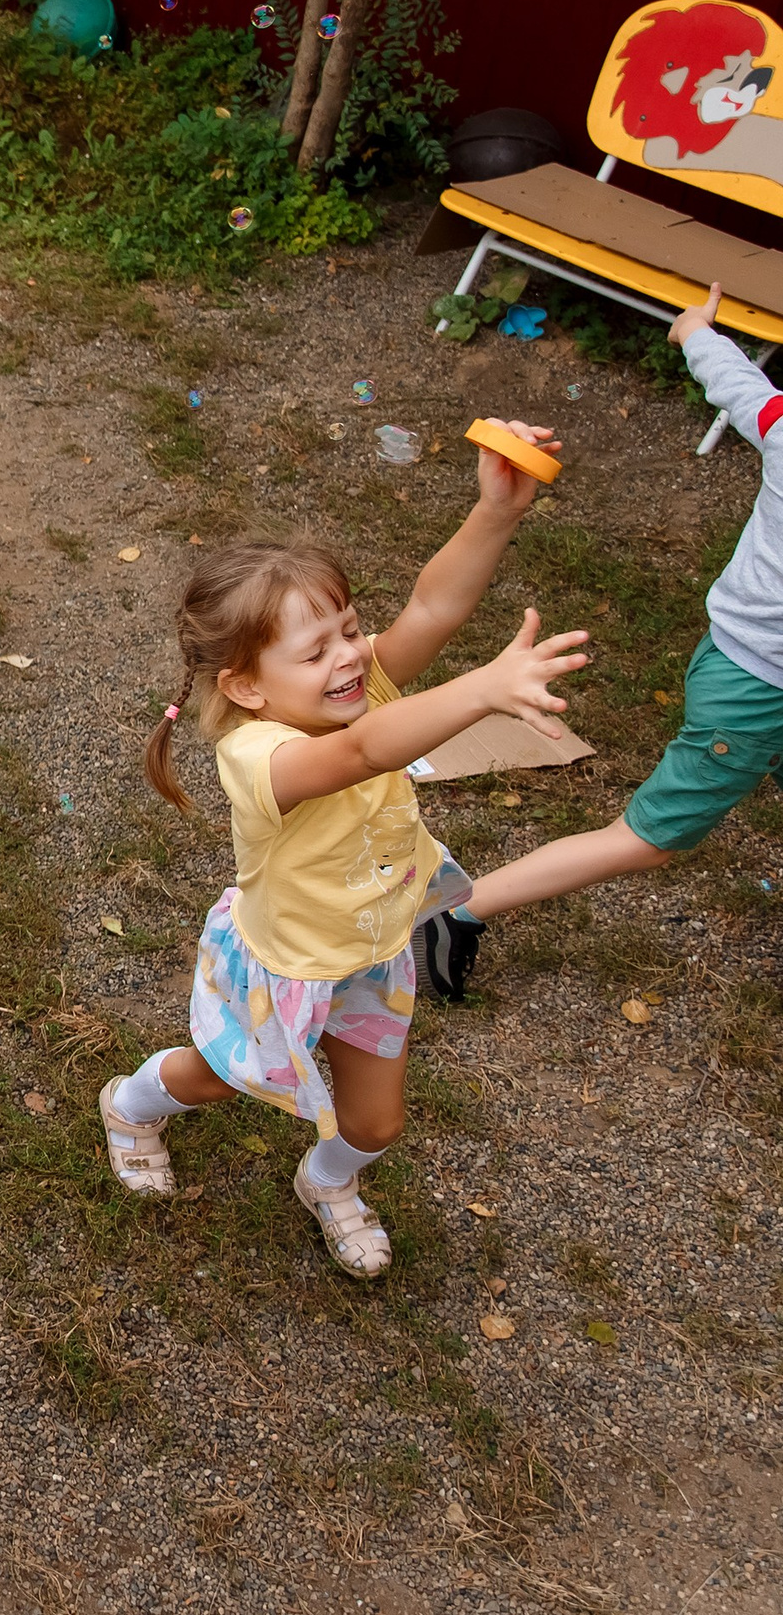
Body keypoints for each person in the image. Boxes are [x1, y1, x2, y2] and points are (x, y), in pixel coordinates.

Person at [100, 430, 586, 1278]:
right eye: (316, 649)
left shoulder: (364, 692)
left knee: (375, 1125)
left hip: (372, 953)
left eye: (351, 629)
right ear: (246, 688)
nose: (352, 655)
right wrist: (481, 691)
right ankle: (134, 1102)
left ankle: (326, 1183)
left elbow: (434, 609)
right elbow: (365, 755)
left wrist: (495, 512)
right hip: (287, 967)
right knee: (227, 1078)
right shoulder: (260, 755)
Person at [415, 285, 783, 999]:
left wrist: (694, 333)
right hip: (755, 688)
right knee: (645, 837)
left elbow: (745, 389)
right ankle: (462, 910)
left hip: (734, 654)